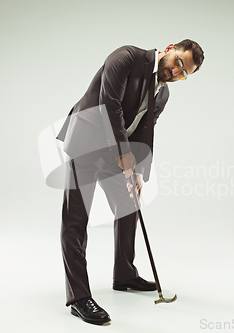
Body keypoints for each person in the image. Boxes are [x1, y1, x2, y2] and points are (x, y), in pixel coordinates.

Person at [56, 39, 204, 325]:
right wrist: (124, 154)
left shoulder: (163, 95)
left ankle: (124, 274)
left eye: (185, 74)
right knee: (76, 219)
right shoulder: (126, 58)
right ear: (170, 48)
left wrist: (137, 169)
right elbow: (108, 106)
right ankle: (78, 297)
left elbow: (146, 128)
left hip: (115, 151)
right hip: (86, 143)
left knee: (128, 205)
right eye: (178, 64)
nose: (176, 73)